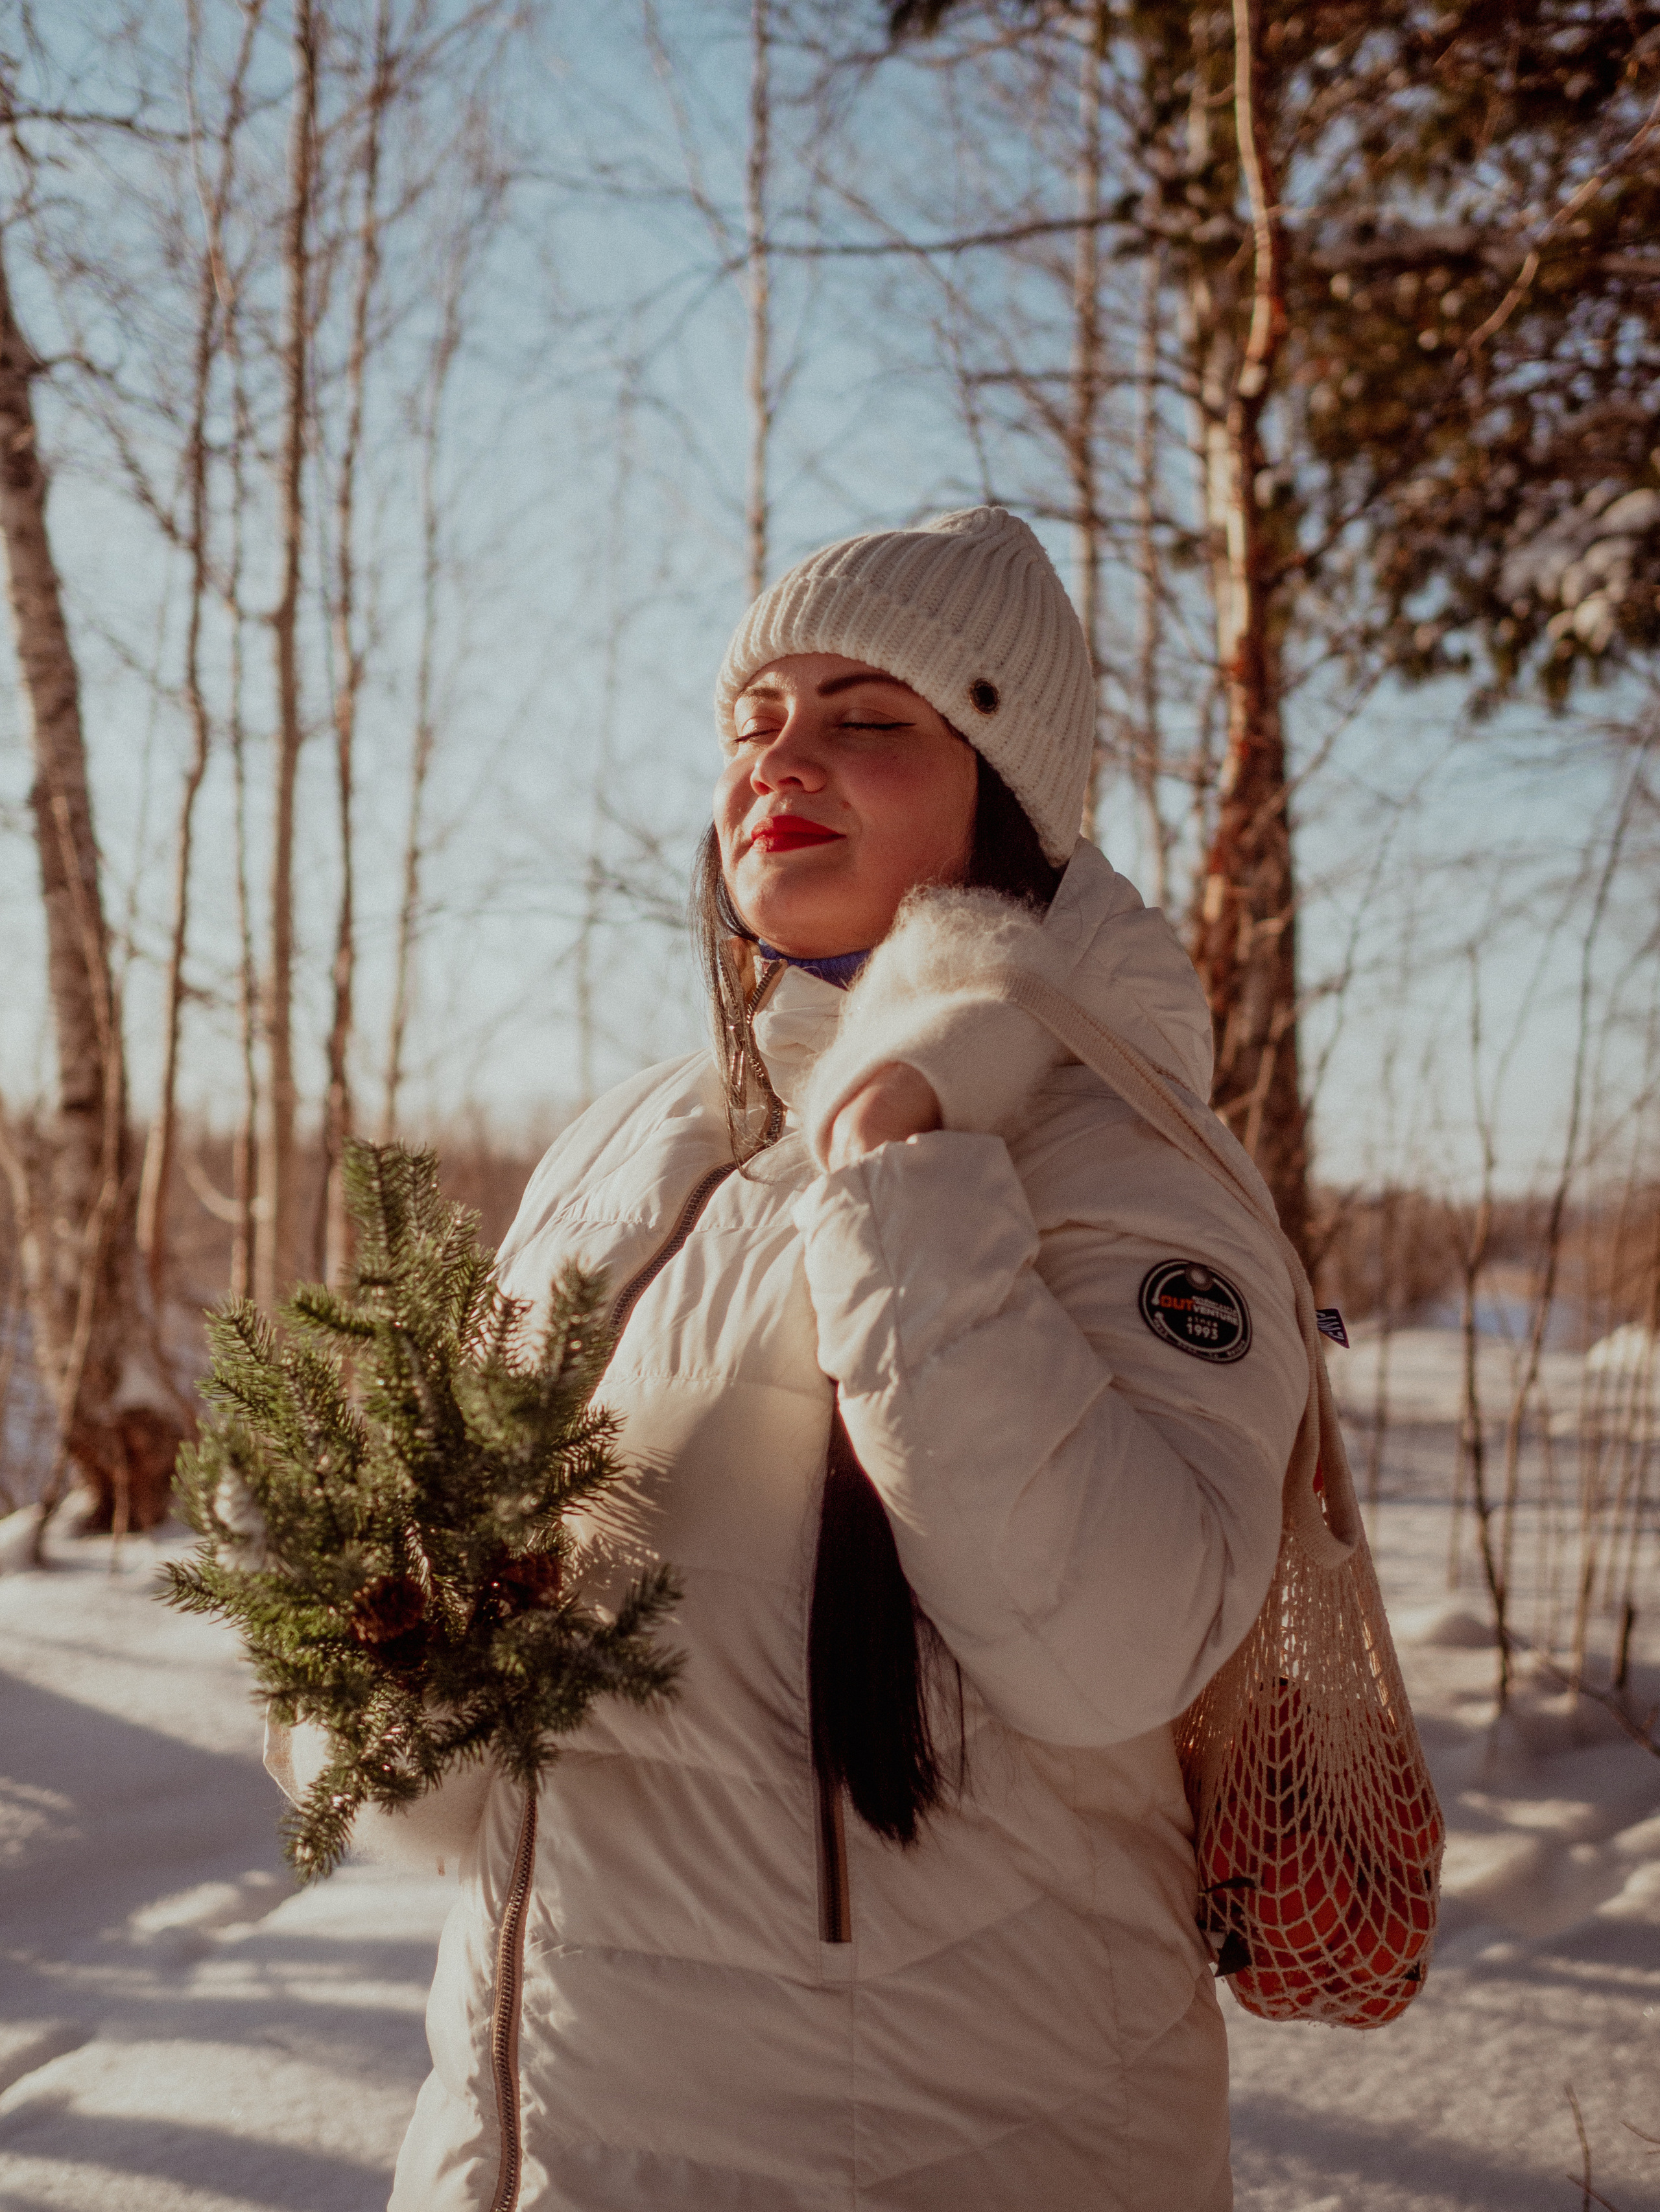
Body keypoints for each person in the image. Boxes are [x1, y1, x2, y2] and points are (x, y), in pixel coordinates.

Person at [276, 505, 1306, 2210]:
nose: (786, 757)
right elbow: (461, 1703)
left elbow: (1115, 1642)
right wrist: (375, 1623)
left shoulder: (1122, 1151)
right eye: (754, 718)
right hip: (533, 2143)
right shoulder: (640, 1140)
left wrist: (906, 1170)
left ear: (1004, 784)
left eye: (869, 717)